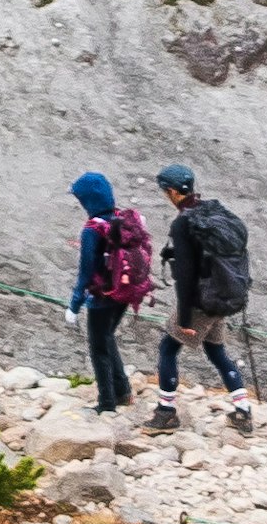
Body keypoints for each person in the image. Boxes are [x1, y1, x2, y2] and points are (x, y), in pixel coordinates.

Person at [149, 164, 255, 432]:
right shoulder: (213, 210)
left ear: (172, 191)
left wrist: (184, 317)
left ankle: (166, 413)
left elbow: (185, 276)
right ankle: (243, 412)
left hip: (201, 301)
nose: (165, 195)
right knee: (216, 350)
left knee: (168, 348)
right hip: (223, 295)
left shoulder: (183, 223)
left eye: (165, 191)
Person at [66, 172, 151, 413]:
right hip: (126, 292)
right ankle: (123, 391)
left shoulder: (92, 230)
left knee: (98, 347)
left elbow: (85, 272)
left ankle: (106, 403)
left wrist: (74, 306)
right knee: (108, 337)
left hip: (102, 296)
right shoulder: (124, 220)